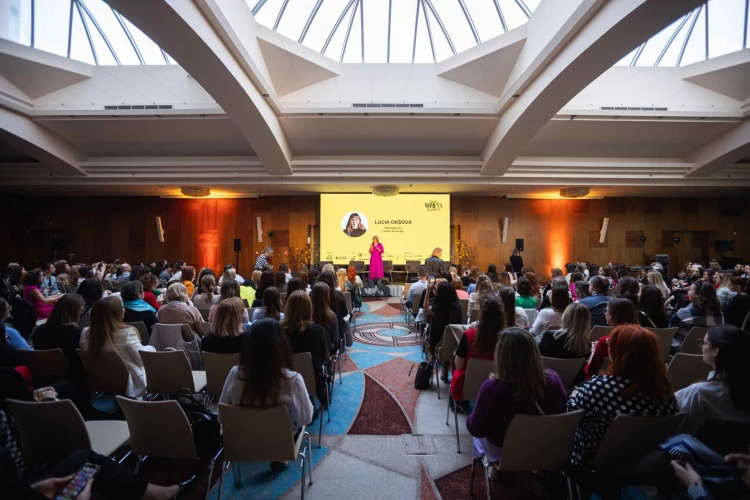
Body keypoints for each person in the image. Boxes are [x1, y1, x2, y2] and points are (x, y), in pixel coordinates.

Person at [568, 325, 679, 472]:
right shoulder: (667, 394)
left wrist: (575, 396)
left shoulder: (597, 389)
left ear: (619, 353)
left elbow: (570, 419)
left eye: (610, 343)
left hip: (592, 467)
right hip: (643, 468)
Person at [219, 319, 312, 474]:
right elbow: (306, 419)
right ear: (281, 346)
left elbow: (221, 417)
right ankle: (280, 459)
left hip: (241, 444)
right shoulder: (293, 381)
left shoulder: (234, 374)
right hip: (280, 445)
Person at [467, 328, 567, 466]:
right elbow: (561, 415)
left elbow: (476, 429)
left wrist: (471, 417)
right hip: (544, 450)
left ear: (501, 355)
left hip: (502, 453)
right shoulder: (554, 380)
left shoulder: (492, 389)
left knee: (477, 437)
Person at [675, 325, 750, 435]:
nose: (701, 346)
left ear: (715, 351)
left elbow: (674, 423)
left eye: (703, 343)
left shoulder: (700, 393)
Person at [79, 296, 156, 398]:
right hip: (127, 380)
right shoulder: (126, 333)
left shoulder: (86, 333)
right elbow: (142, 359)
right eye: (121, 307)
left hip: (100, 378)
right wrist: (152, 348)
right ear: (119, 312)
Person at [281, 291, 330, 408]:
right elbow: (324, 356)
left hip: (285, 380)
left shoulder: (279, 331)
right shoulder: (317, 330)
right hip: (314, 380)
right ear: (309, 308)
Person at [451, 295, 504, 403]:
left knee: (455, 362)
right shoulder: (507, 337)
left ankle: (459, 402)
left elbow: (459, 365)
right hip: (499, 385)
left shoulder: (469, 335)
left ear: (481, 313)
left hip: (468, 384)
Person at [29, 293, 86, 388]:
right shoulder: (76, 333)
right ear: (75, 311)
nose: (82, 311)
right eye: (81, 309)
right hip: (73, 379)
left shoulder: (40, 330)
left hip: (43, 376)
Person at [585, 298, 639, 379]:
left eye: (606, 310)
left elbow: (590, 371)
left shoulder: (607, 342)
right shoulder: (643, 338)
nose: (605, 313)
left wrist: (593, 353)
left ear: (612, 315)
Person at [426, 282, 462, 381]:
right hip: (455, 342)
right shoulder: (458, 306)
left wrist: (428, 291)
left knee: (432, 331)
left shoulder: (436, 307)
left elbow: (425, 308)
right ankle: (446, 367)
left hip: (438, 344)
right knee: (447, 338)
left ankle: (437, 366)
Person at [316, 271, 348, 344]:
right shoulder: (338, 294)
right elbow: (345, 313)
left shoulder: (313, 294)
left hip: (316, 335)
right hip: (336, 334)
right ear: (332, 281)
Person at [311, 282, 339, 353]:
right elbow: (335, 338)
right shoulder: (332, 316)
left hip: (312, 352)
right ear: (327, 296)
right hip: (328, 350)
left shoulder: (306, 315)